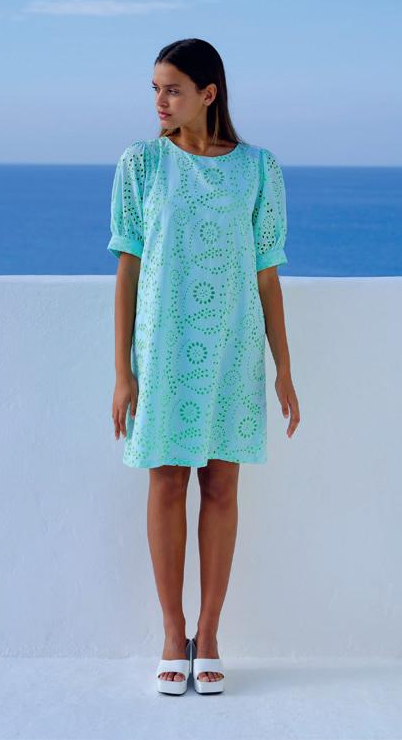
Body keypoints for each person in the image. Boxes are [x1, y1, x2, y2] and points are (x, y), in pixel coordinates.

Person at [107, 38, 300, 695]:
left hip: (231, 350)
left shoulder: (258, 169)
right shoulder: (141, 165)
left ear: (208, 93)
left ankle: (209, 635)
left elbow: (267, 276)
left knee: (221, 486)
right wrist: (123, 370)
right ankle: (172, 633)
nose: (160, 102)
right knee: (166, 483)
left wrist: (284, 367)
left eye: (173, 89)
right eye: (155, 90)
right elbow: (128, 268)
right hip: (163, 351)